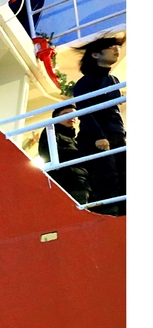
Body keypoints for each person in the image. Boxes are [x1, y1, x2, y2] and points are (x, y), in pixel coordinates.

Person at [73, 35, 125, 215]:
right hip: (97, 136)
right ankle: (109, 215)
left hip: (116, 134)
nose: (116, 49)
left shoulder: (114, 80)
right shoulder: (84, 83)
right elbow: (85, 111)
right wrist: (98, 136)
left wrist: (122, 133)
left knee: (125, 175)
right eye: (111, 47)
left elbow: (114, 111)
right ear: (95, 55)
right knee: (107, 178)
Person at [37, 103, 91, 205]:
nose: (71, 117)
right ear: (56, 117)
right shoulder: (51, 131)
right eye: (66, 114)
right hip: (67, 183)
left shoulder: (74, 139)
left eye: (74, 114)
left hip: (82, 183)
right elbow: (47, 153)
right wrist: (80, 153)